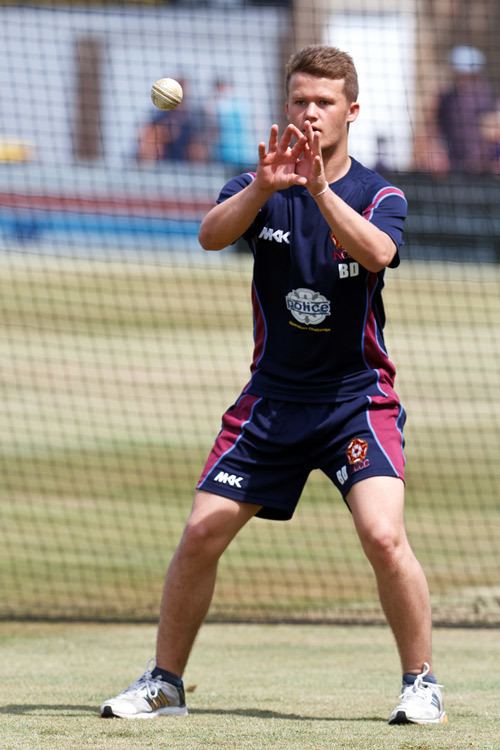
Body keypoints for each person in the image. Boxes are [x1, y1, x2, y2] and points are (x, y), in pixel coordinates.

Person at [101, 45, 447, 726]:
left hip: (356, 402)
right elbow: (209, 236)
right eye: (299, 101)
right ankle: (165, 684)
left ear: (352, 111)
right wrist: (265, 187)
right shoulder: (257, 183)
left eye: (323, 102)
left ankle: (422, 683)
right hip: (271, 402)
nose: (310, 113)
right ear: (285, 107)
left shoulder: (380, 193)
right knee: (201, 533)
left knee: (383, 536)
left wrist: (317, 189)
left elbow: (379, 253)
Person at [416, 45, 496, 174]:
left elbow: (492, 131)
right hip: (452, 166)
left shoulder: (487, 98)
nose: (462, 78)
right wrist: (436, 150)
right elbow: (431, 127)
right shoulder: (446, 97)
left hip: (482, 167)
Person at [136, 78, 210, 163]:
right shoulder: (160, 115)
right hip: (164, 165)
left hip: (185, 167)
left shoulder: (194, 118)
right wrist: (164, 133)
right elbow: (145, 138)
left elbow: (200, 150)